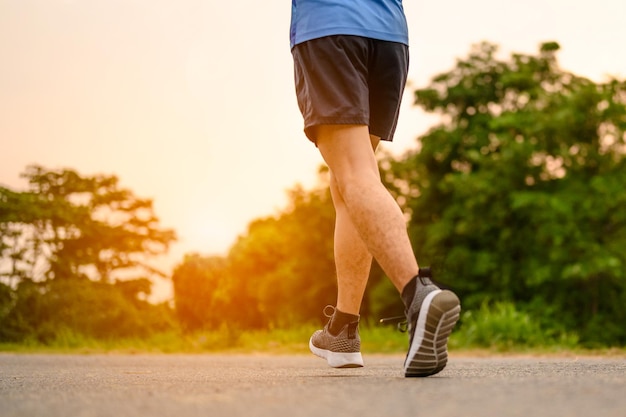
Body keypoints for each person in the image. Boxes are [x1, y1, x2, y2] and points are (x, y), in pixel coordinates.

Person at [290, 0, 461, 377]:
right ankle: (344, 329)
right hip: (389, 37)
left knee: (353, 173)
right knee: (349, 179)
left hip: (330, 28)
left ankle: (419, 294)